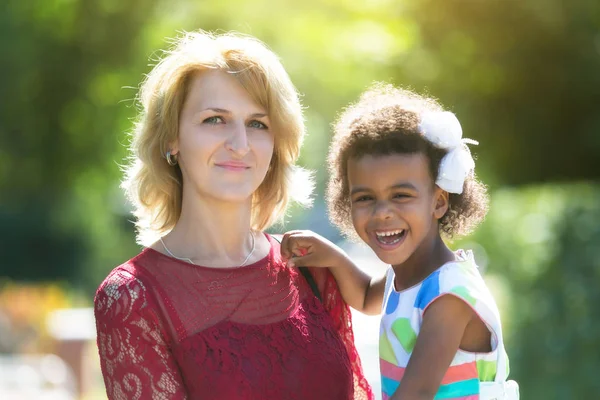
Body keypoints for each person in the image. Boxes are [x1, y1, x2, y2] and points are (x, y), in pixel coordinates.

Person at [93, 30, 373, 400]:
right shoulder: (132, 298)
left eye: (258, 124)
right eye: (215, 119)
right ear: (171, 139)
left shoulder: (312, 268)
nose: (240, 145)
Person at [280, 84, 519, 399]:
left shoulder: (449, 295)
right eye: (365, 198)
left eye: (401, 196)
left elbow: (417, 393)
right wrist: (333, 256)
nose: (382, 213)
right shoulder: (406, 274)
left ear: (438, 201)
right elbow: (366, 296)